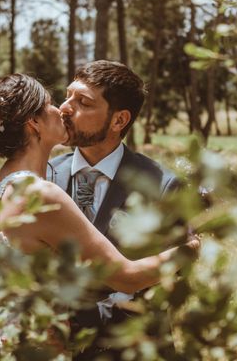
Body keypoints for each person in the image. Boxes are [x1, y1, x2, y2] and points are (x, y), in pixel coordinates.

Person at [0, 73, 199, 356]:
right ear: (33, 122)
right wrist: (191, 249)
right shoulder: (41, 193)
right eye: (52, 103)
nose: (63, 108)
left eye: (81, 101)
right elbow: (127, 276)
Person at [47, 60, 184, 359]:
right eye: (68, 95)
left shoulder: (162, 187)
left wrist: (79, 322)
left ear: (118, 120)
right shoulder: (43, 175)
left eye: (83, 102)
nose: (65, 108)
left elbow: (162, 289)